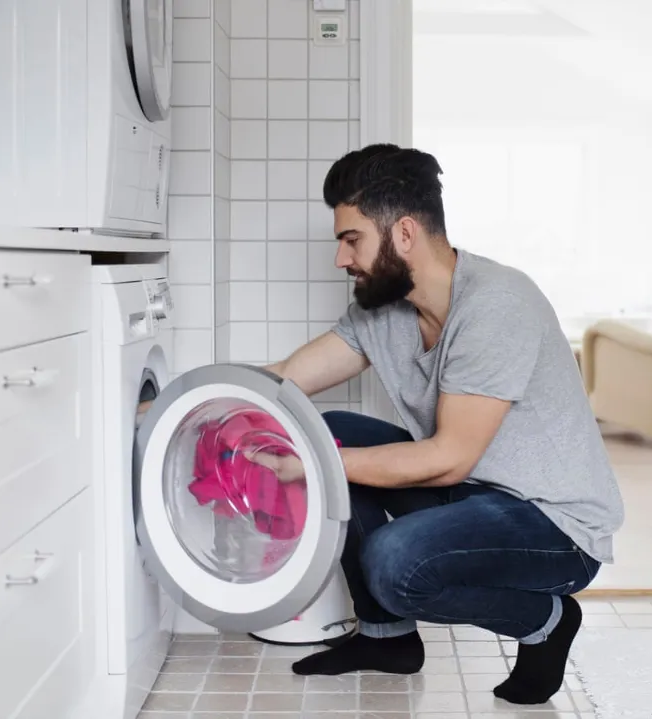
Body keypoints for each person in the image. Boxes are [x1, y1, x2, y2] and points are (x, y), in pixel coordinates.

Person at [252, 143, 624, 706]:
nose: (341, 260)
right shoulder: (381, 310)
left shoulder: (496, 304)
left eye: (351, 240)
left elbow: (448, 456)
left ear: (403, 233)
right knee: (329, 430)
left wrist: (308, 464)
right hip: (474, 495)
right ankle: (387, 642)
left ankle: (545, 620)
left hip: (553, 526)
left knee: (393, 563)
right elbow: (285, 378)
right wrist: (182, 405)